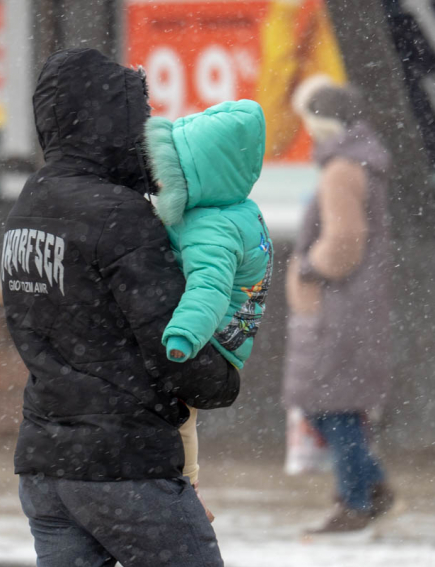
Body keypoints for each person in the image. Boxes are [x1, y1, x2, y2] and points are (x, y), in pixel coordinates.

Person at [1, 48, 240, 567]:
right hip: (124, 467)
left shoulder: (31, 203)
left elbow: (34, 327)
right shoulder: (118, 214)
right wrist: (223, 374)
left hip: (47, 466)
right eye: (138, 115)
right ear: (112, 122)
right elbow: (173, 344)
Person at [143, 100, 274, 508]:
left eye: (171, 174)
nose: (162, 183)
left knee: (181, 415)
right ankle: (188, 483)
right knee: (183, 416)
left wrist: (185, 333)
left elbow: (210, 289)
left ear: (198, 178)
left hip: (210, 337)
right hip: (231, 334)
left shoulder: (210, 227)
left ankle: (189, 487)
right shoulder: (237, 211)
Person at [282, 75, 394, 533]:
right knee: (335, 404)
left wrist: (308, 266)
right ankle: (371, 488)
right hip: (354, 306)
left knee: (329, 406)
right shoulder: (359, 164)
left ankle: (357, 500)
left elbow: (345, 244)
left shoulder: (341, 170)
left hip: (337, 309)